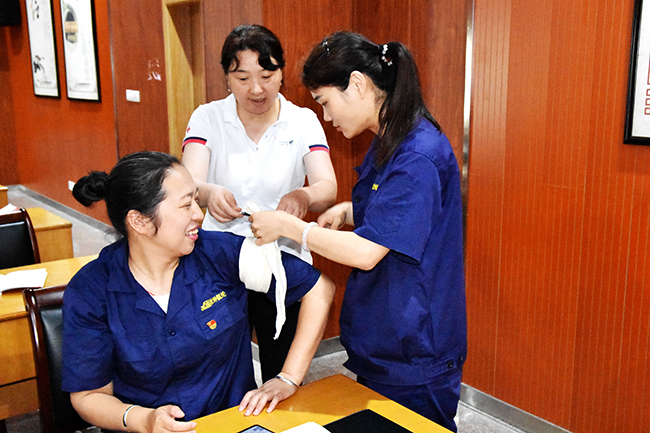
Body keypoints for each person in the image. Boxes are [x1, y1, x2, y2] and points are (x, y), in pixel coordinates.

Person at [249, 31, 467, 432]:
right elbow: (396, 212)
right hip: (385, 337)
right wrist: (350, 211)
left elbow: (368, 251)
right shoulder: (389, 140)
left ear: (358, 84)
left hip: (415, 347)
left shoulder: (417, 154)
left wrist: (293, 228)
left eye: (325, 102)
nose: (327, 117)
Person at [63, 151, 335, 433]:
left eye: (196, 199)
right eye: (185, 205)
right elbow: (88, 396)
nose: (198, 213)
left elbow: (319, 288)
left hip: (234, 424)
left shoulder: (222, 254)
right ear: (140, 221)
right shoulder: (91, 290)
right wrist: (143, 420)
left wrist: (288, 378)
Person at [181, 24, 337, 383]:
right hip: (219, 261)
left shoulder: (302, 120)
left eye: (267, 76)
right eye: (242, 78)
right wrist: (209, 193)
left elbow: (327, 186)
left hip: (282, 260)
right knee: (219, 365)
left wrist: (304, 195)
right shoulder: (207, 117)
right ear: (226, 78)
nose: (256, 89)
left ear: (281, 73)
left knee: (281, 366)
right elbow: (190, 183)